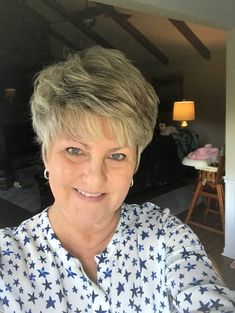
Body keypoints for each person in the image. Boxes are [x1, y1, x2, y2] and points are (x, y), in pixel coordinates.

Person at [0, 46, 234, 313]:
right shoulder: (8, 260)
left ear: (135, 163)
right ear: (46, 155)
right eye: (74, 150)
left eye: (117, 155)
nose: (95, 176)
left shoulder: (165, 235)